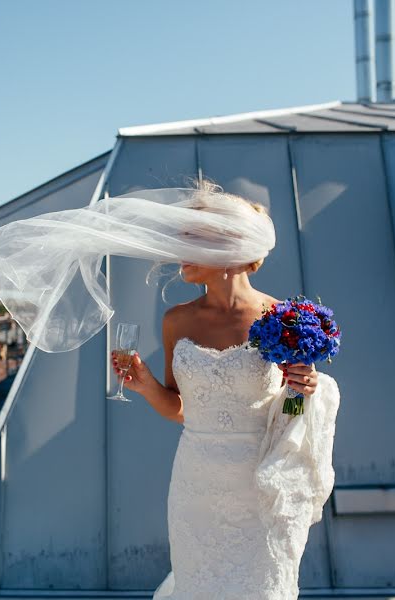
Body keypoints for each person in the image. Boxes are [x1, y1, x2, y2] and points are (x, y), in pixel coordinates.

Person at [111, 188, 340, 599]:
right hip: (195, 484)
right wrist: (145, 386)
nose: (180, 249)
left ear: (230, 248)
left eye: (194, 239)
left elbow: (288, 412)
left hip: (259, 486)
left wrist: (301, 390)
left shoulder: (282, 318)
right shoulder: (175, 321)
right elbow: (182, 409)